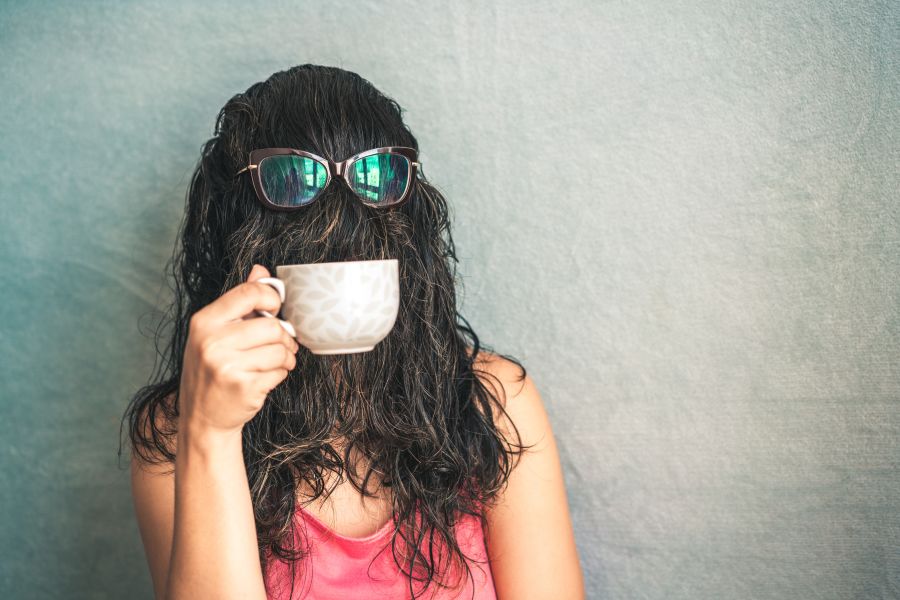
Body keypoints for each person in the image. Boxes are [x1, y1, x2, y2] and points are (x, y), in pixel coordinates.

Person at [122, 64, 584, 600]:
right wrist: (212, 435)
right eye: (310, 236)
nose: (342, 241)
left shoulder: (496, 404)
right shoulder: (177, 434)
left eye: (372, 189)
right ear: (236, 243)